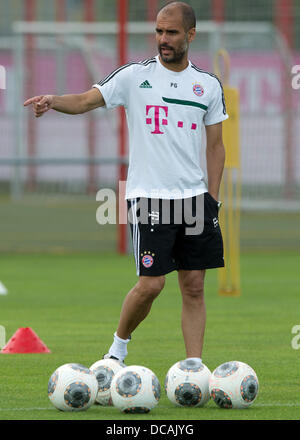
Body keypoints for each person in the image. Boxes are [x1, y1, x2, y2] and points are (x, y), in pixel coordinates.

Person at [24, 1, 228, 366]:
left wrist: (213, 197)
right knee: (152, 284)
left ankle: (193, 368)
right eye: (159, 31)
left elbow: (216, 145)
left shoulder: (208, 86)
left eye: (172, 32)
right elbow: (87, 99)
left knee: (194, 286)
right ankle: (117, 349)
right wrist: (54, 100)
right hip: (148, 196)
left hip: (195, 199)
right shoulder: (134, 76)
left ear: (191, 35)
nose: (163, 39)